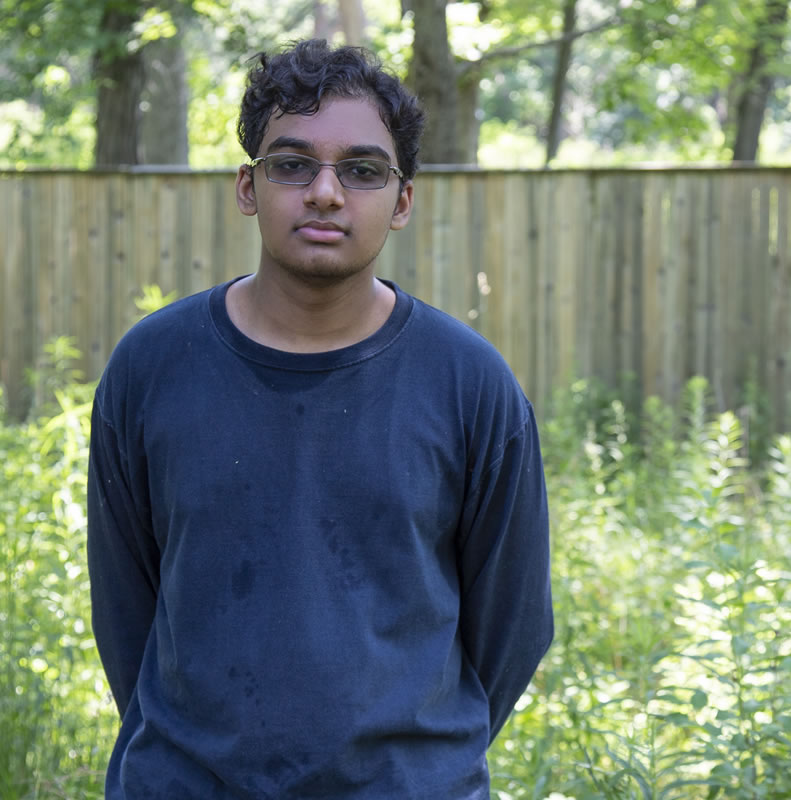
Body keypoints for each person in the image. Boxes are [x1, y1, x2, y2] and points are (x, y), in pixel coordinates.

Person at [86, 39, 553, 798]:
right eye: (292, 164)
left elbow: (513, 625)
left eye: (363, 170)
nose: (326, 193)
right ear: (249, 187)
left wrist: (410, 764)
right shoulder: (152, 367)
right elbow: (125, 607)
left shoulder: (470, 385)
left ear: (402, 200)